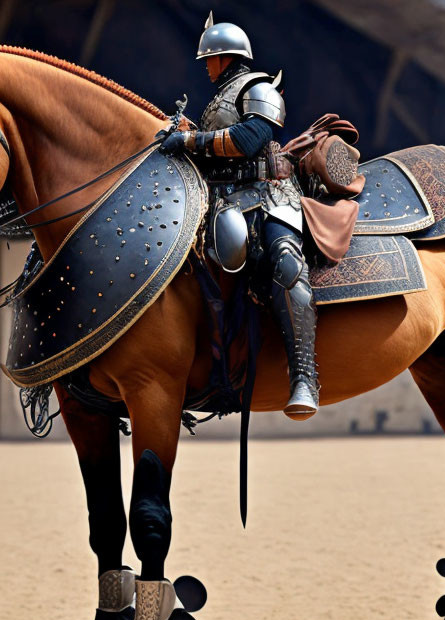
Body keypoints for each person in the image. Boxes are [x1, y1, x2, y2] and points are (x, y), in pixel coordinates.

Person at [160, 13, 318, 418]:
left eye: (209, 60)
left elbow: (249, 140)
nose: (206, 67)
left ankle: (304, 377)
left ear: (226, 58)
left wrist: (191, 139)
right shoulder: (217, 100)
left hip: (269, 195)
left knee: (286, 263)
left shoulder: (258, 87)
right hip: (222, 200)